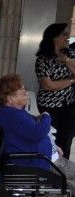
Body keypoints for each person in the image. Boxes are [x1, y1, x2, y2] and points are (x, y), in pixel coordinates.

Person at [0, 74, 75, 194]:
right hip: (37, 162)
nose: (26, 93)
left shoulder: (12, 113)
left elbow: (32, 132)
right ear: (10, 98)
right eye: (22, 91)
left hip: (42, 158)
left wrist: (53, 146)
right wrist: (47, 116)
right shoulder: (14, 116)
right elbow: (38, 132)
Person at [35, 23, 75, 159]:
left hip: (69, 106)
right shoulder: (43, 59)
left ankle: (62, 172)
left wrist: (67, 61)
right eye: (64, 34)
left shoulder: (69, 53)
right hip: (49, 107)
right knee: (50, 139)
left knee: (66, 140)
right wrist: (71, 80)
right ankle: (49, 168)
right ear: (54, 37)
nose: (67, 37)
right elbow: (48, 85)